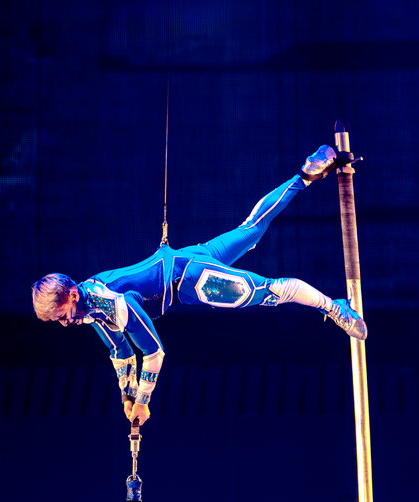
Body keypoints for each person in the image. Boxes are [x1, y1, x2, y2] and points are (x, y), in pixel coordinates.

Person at [32, 145, 367, 426]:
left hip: (193, 280)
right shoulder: (90, 307)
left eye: (61, 315)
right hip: (186, 260)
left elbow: (153, 352)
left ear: (71, 294)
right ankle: (306, 174)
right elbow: (120, 352)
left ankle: (335, 306)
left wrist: (143, 400)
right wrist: (126, 396)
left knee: (270, 291)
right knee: (251, 228)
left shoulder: (109, 303)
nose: (64, 323)